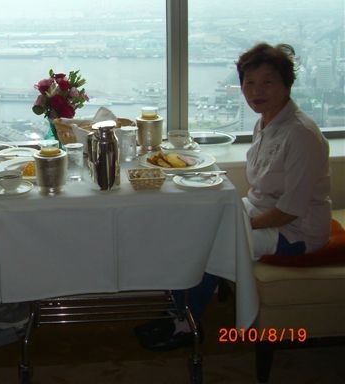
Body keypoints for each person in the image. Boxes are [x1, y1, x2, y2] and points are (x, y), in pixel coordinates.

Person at [135, 42, 332, 351]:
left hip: (295, 231)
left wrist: (239, 225)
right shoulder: (265, 123)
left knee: (212, 242)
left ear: (286, 84)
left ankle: (187, 325)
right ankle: (177, 311)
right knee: (186, 224)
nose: (257, 91)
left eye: (268, 82)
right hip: (260, 211)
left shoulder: (301, 134)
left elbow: (290, 210)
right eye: (249, 83)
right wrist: (237, 218)